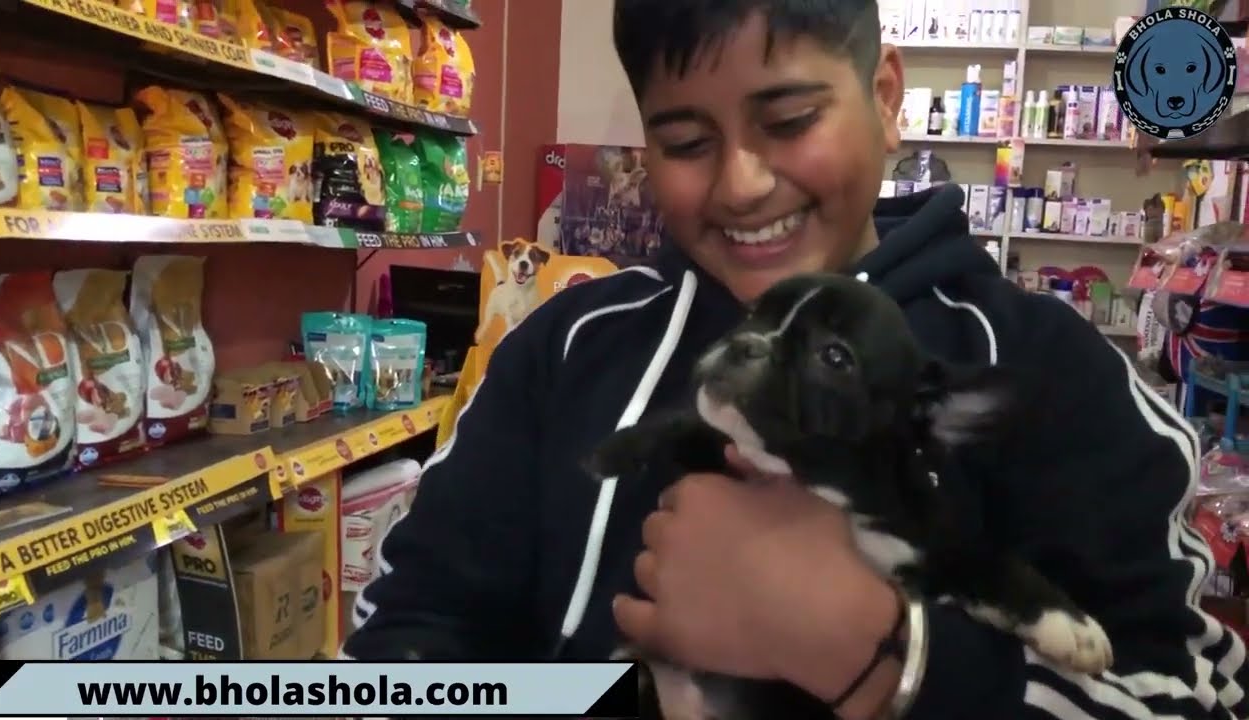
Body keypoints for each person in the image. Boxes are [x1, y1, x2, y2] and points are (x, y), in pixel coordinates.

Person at [343, 0, 1249, 718]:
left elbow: (1184, 696)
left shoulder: (1049, 373)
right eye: (686, 143)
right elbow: (406, 644)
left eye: (790, 119)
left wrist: (884, 656)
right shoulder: (564, 349)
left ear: (885, 97)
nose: (741, 184)